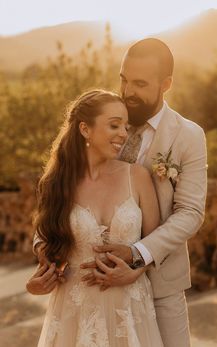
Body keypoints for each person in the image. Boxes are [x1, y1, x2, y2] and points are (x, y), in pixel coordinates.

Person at [31, 38, 207, 346]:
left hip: (160, 285)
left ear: (165, 84)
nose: (128, 92)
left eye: (140, 84)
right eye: (124, 80)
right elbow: (62, 195)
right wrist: (44, 250)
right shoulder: (105, 119)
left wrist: (138, 256)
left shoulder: (188, 136)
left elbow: (191, 213)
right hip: (87, 293)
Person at [28, 89, 164, 346]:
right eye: (114, 125)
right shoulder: (57, 184)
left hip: (130, 310)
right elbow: (46, 242)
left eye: (125, 126)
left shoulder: (137, 177)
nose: (124, 134)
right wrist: (38, 281)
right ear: (85, 129)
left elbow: (156, 242)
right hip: (74, 311)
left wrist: (136, 271)